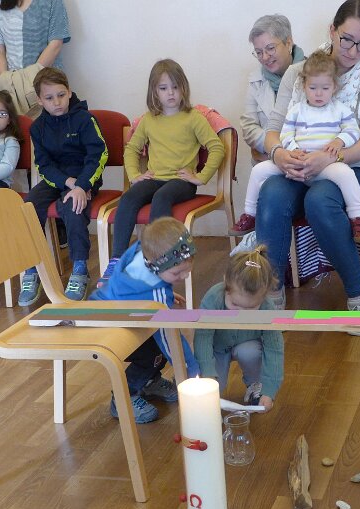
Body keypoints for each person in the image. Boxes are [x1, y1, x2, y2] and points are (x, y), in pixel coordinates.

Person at [255, 0, 360, 317]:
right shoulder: (297, 74)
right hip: (299, 165)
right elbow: (274, 129)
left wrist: (331, 157)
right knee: (272, 192)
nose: (353, 50)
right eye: (347, 39)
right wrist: (280, 154)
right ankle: (270, 291)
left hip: (355, 172)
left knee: (320, 200)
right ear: (332, 31)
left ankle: (359, 292)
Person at [100, 59, 225, 286]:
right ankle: (117, 260)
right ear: (154, 92)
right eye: (164, 88)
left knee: (162, 197)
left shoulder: (193, 118)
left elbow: (217, 147)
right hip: (155, 177)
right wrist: (135, 175)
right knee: (129, 197)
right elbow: (132, 149)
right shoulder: (149, 120)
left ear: (183, 88)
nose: (170, 93)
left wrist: (200, 177)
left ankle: (157, 258)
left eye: (175, 87)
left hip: (181, 183)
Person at [233, 51, 360, 243]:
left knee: (346, 174)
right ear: (304, 86)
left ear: (334, 87)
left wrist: (340, 141)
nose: (319, 93)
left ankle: (358, 218)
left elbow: (353, 131)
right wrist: (293, 149)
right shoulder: (296, 110)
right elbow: (286, 133)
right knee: (259, 170)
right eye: (313, 88)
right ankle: (249, 214)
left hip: (325, 166)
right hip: (295, 163)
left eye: (325, 88)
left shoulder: (340, 110)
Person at [90, 217, 201, 424]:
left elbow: (141, 290)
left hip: (107, 309)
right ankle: (125, 396)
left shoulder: (142, 252)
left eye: (188, 268)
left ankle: (149, 382)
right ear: (156, 267)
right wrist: (189, 370)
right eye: (177, 272)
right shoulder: (154, 293)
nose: (185, 276)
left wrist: (163, 297)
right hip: (111, 327)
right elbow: (170, 338)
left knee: (156, 345)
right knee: (154, 352)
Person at [18, 67, 107, 305]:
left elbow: (98, 155)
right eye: (49, 98)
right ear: (40, 100)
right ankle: (31, 269)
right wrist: (67, 182)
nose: (56, 102)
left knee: (72, 206)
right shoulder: (37, 128)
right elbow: (44, 165)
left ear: (69, 92)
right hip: (58, 179)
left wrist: (81, 185)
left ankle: (80, 269)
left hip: (85, 177)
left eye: (61, 95)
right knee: (28, 206)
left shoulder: (85, 119)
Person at [194, 245, 284, 411]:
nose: (241, 313)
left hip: (247, 345)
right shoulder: (213, 298)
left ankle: (255, 384)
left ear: (264, 296)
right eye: (235, 304)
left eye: (251, 308)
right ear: (226, 286)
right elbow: (203, 337)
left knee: (250, 352)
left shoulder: (267, 308)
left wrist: (269, 391)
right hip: (216, 348)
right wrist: (208, 373)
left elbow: (274, 349)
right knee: (212, 391)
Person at [0, 0, 69, 117]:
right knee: (16, 126)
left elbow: (56, 43)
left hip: (48, 85)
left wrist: (31, 82)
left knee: (50, 125)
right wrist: (7, 82)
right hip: (12, 87)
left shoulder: (52, 2)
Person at [242, 14, 305, 164]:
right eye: (258, 52)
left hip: (305, 159)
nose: (264, 57)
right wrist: (277, 150)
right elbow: (249, 127)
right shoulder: (255, 80)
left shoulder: (315, 74)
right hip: (269, 161)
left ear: (288, 43)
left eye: (270, 48)